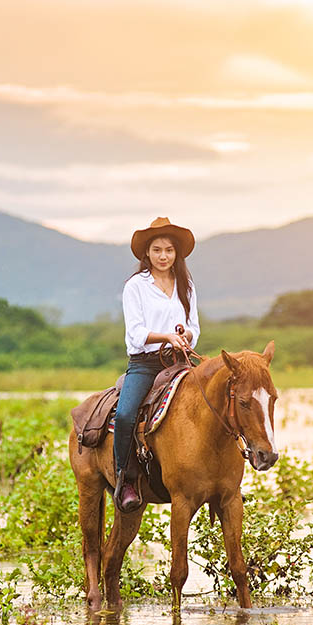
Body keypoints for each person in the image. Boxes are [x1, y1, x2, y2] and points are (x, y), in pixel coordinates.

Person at [112, 216, 200, 513]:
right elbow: (136, 334)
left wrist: (186, 335)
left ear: (177, 254)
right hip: (146, 363)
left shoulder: (185, 284)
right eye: (158, 250)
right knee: (125, 416)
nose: (164, 256)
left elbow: (194, 328)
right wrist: (166, 337)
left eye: (169, 251)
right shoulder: (135, 286)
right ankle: (125, 478)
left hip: (179, 361)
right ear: (146, 253)